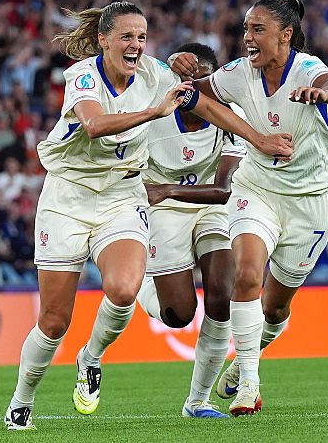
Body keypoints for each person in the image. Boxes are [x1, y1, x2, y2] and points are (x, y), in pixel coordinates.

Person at [3, 2, 292, 430]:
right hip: (68, 197)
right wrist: (154, 112)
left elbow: (204, 103)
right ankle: (21, 399)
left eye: (141, 37)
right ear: (103, 41)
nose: (136, 44)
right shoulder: (83, 76)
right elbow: (95, 125)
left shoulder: (156, 73)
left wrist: (259, 138)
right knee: (54, 319)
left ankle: (91, 358)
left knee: (122, 290)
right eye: (126, 36)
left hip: (123, 194)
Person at [170, 0, 328, 416]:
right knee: (247, 275)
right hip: (258, 188)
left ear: (286, 35)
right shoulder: (239, 72)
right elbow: (195, 94)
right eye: (246, 29)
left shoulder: (307, 68)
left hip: (310, 201)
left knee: (276, 307)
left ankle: (248, 358)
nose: (247, 38)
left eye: (257, 30)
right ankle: (250, 382)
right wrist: (173, 64)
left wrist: (317, 94)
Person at [86, 42, 244, 419]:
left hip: (207, 204)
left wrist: (169, 189)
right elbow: (130, 68)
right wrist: (168, 62)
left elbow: (224, 190)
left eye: (201, 81)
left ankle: (198, 402)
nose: (191, 87)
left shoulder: (231, 115)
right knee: (179, 315)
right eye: (183, 78)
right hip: (160, 210)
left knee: (223, 296)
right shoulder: (157, 107)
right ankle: (141, 280)